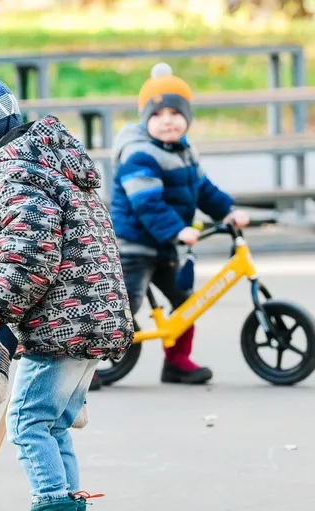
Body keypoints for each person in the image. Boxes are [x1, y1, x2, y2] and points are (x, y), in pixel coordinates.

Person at [0, 72, 134, 511]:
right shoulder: (50, 163)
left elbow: (30, 246)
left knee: (26, 422)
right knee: (54, 424)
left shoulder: (12, 173)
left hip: (62, 323)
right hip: (91, 316)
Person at [102, 63, 250, 388]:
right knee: (127, 303)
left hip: (164, 245)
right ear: (145, 120)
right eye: (157, 114)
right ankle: (87, 362)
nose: (167, 120)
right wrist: (177, 230)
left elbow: (204, 190)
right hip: (134, 245)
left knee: (185, 300)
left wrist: (228, 211)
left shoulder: (184, 152)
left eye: (174, 112)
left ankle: (177, 363)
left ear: (188, 117)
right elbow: (147, 204)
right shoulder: (139, 155)